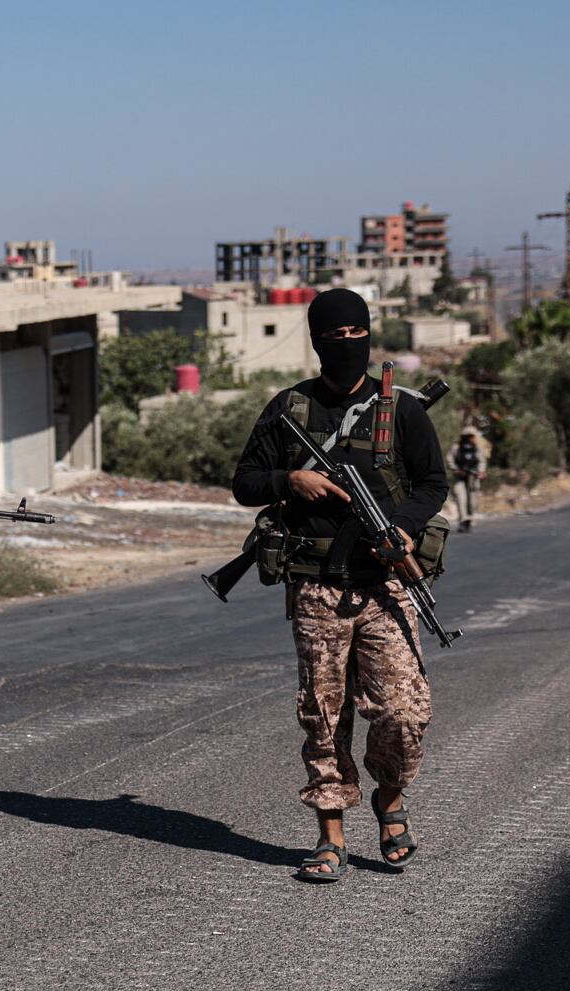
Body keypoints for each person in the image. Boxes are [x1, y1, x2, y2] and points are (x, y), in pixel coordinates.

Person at [231, 288, 448, 884]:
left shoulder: (401, 409)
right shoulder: (289, 409)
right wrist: (289, 479)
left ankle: (390, 797)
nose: (348, 345)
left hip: (384, 585)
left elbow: (434, 483)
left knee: (403, 712)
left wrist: (402, 527)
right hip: (316, 587)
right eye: (336, 336)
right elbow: (244, 483)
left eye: (358, 334)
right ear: (316, 339)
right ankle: (330, 835)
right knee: (324, 716)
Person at [447, 425, 488, 532]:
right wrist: (455, 469)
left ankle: (469, 518)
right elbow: (449, 459)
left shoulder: (477, 448)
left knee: (472, 500)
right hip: (459, 477)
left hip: (473, 478)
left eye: (472, 436)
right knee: (461, 498)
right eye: (468, 436)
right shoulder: (456, 447)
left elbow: (482, 461)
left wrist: (480, 471)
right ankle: (463, 521)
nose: (471, 438)